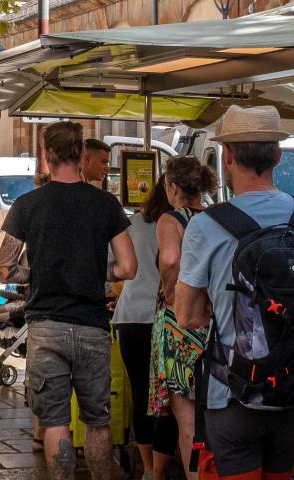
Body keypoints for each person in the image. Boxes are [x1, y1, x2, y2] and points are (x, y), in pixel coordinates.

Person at [175, 107, 294, 480]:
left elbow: (186, 316)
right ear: (278, 156)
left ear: (227, 157)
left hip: (232, 392)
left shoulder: (206, 225)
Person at [0, 121, 135, 480]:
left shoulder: (27, 205)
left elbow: (5, 270)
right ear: (81, 155)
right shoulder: (106, 204)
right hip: (92, 327)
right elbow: (129, 266)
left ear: (47, 154)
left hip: (45, 327)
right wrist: (96, 272)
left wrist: (39, 273)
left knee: (56, 420)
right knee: (98, 419)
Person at [149, 154, 216, 480]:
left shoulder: (171, 220)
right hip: (214, 321)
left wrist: (169, 290)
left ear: (172, 186)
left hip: (180, 324)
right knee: (213, 412)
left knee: (186, 419)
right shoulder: (217, 217)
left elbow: (172, 258)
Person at [115, 170, 172, 480]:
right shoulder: (183, 224)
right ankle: (161, 471)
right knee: (167, 400)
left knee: (141, 395)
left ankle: (148, 468)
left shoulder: (133, 223)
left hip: (131, 317)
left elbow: (118, 270)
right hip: (165, 318)